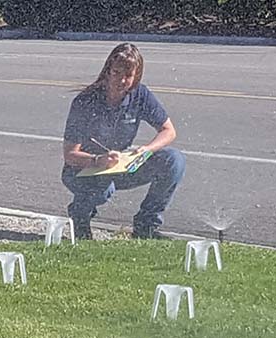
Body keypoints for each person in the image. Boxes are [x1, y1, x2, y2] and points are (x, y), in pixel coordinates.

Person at [60, 43, 185, 240]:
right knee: (104, 189)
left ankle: (146, 224)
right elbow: (69, 155)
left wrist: (146, 149)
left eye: (128, 75)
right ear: (108, 70)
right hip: (82, 170)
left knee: (173, 160)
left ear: (137, 76)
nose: (122, 80)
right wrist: (97, 160)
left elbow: (168, 131)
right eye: (117, 72)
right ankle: (80, 216)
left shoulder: (140, 95)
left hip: (119, 165)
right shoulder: (85, 101)